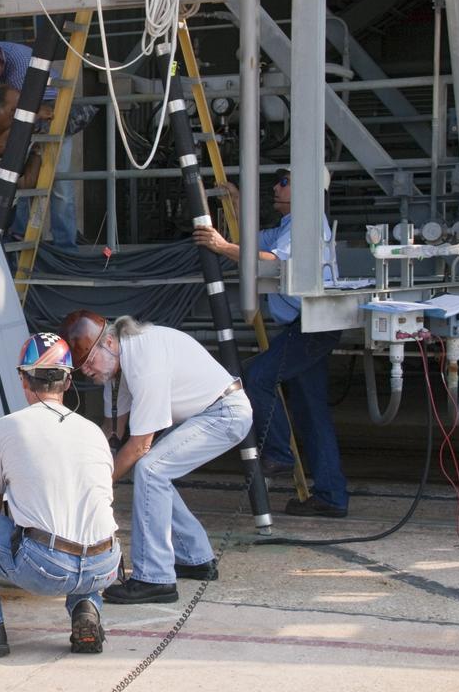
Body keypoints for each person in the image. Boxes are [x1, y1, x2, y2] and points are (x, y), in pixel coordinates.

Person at [0, 332, 120, 658]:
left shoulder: (5, 428)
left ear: (23, 379)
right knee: (82, 521)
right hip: (104, 564)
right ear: (67, 383)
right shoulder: (93, 432)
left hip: (47, 567)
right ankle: (86, 608)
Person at [62, 311, 252, 604]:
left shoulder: (143, 362)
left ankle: (154, 578)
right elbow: (114, 429)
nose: (87, 371)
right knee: (154, 472)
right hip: (208, 412)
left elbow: (139, 447)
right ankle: (196, 557)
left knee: (151, 469)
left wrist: (99, 485)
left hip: (225, 413)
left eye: (88, 361)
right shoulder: (121, 365)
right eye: (81, 367)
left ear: (109, 342)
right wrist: (84, 467)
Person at [191, 168, 348, 517]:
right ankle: (331, 495)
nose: (276, 186)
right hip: (307, 325)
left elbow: (270, 261)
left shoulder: (306, 223)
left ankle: (277, 453)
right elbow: (257, 244)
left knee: (257, 377)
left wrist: (219, 245)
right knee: (312, 413)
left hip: (310, 326)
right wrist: (236, 203)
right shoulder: (290, 226)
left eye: (285, 181)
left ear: (306, 189)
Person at [0, 38, 90, 251]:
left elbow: (27, 108)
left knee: (58, 181)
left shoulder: (22, 64)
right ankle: (17, 237)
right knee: (18, 178)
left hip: (49, 109)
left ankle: (66, 246)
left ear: (1, 66)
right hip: (16, 117)